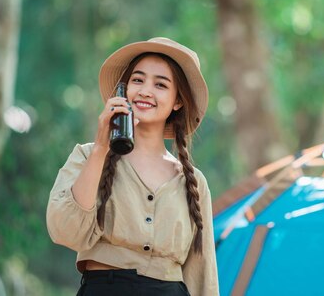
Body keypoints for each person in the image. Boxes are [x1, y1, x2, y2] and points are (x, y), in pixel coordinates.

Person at [46, 37, 219, 296]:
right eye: (137, 80)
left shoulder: (193, 182)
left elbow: (202, 274)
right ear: (123, 91)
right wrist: (101, 149)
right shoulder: (87, 155)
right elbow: (65, 232)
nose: (145, 91)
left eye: (160, 84)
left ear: (177, 101)